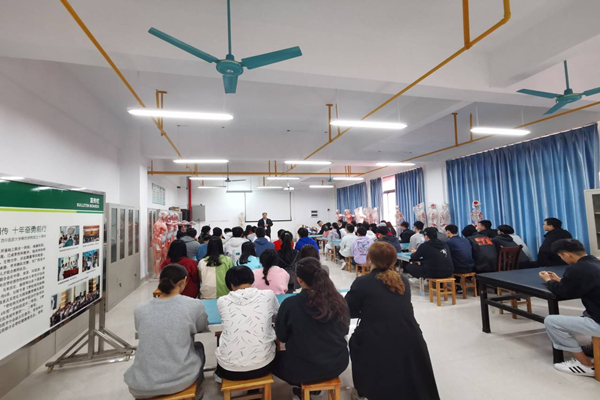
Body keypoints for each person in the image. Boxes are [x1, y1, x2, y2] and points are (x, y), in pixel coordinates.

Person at [346, 242, 440, 400]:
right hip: (411, 334)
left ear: (370, 259)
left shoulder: (363, 282)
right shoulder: (402, 280)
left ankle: (363, 390)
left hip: (376, 337)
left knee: (355, 342)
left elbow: (347, 309)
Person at [124, 264, 209, 399]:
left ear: (159, 282)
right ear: (184, 281)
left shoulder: (140, 309)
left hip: (141, 384)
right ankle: (197, 393)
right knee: (198, 348)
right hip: (180, 381)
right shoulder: (193, 305)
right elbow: (202, 327)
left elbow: (140, 330)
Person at [274, 258, 350, 399]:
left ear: (299, 280)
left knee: (273, 360)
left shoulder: (290, 304)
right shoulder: (339, 300)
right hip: (337, 364)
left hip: (301, 370)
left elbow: (282, 336)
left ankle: (303, 390)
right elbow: (344, 331)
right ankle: (314, 389)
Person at [540, 239, 600, 377]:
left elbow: (563, 292)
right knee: (587, 312)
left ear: (567, 255)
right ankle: (593, 347)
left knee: (551, 321)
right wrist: (561, 280)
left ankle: (585, 365)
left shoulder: (576, 269)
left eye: (561, 256)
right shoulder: (596, 263)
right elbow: (587, 283)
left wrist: (548, 280)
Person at [215, 266, 279, 382]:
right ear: (251, 280)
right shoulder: (268, 295)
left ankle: (218, 375)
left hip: (229, 371)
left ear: (231, 284)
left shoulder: (222, 301)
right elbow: (276, 317)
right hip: (264, 366)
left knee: (222, 336)